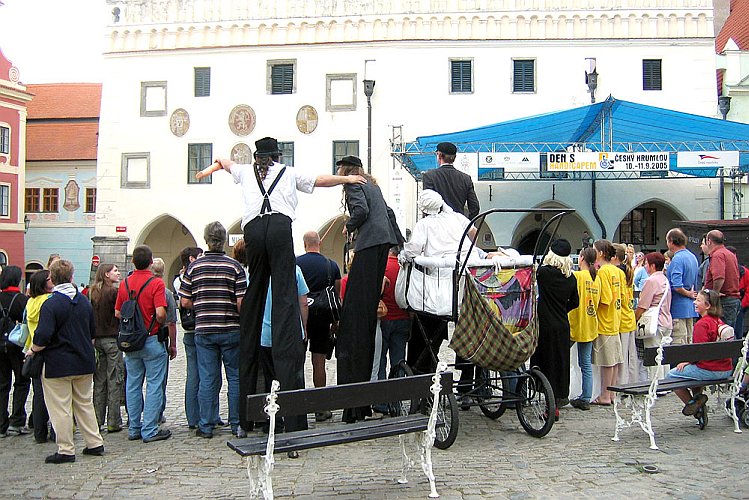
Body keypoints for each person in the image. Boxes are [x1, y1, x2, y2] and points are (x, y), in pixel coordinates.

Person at [215, 136, 367, 433]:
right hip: (280, 231)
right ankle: (293, 416)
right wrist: (347, 178)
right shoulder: (288, 172)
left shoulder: (247, 171)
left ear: (258, 157)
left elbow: (227, 162)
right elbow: (321, 180)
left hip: (254, 233)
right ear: (277, 157)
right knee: (284, 295)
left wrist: (218, 164)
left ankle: (246, 419)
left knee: (256, 290)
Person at [336, 155, 403, 422]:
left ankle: (354, 401)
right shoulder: (373, 186)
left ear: (345, 171)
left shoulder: (354, 185)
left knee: (356, 315)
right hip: (383, 243)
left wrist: (349, 226)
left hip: (369, 245)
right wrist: (398, 242)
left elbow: (361, 212)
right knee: (365, 311)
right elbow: (388, 214)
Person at [30, 259, 104, 463]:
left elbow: (43, 335)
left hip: (58, 363)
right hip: (84, 360)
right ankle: (94, 442)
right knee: (84, 403)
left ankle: (66, 449)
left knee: (61, 407)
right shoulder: (83, 301)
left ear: (52, 279)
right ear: (71, 277)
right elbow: (91, 333)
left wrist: (33, 350)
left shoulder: (51, 304)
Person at [180, 222, 246, 439]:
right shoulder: (234, 267)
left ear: (206, 239)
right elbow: (240, 303)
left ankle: (206, 424)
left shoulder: (193, 268)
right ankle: (237, 423)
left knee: (208, 378)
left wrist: (202, 303)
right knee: (235, 377)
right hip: (230, 328)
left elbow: (185, 301)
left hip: (204, 329)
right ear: (224, 239)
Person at [115, 245, 170, 443]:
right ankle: (150, 428)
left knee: (133, 384)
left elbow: (118, 312)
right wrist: (155, 322)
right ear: (150, 261)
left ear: (133, 262)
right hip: (151, 338)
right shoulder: (156, 283)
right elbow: (161, 313)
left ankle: (134, 427)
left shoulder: (125, 283)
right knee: (154, 384)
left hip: (131, 341)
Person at [258, 264, 309, 458]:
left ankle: (275, 423)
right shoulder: (294, 270)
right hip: (290, 333)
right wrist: (304, 326)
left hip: (267, 335)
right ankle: (295, 423)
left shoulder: (261, 271)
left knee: (271, 381)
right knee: (294, 380)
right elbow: (303, 302)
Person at [296, 230, 341, 422]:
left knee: (297, 363)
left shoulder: (296, 264)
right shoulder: (331, 265)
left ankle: (297, 407)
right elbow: (336, 295)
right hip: (323, 316)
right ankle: (321, 407)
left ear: (304, 244)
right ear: (319, 243)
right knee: (319, 362)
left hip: (300, 317)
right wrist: (336, 321)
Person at [530, 239, 579, 419]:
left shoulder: (544, 273)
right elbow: (575, 302)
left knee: (545, 363)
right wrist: (561, 310)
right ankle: (557, 400)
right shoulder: (571, 278)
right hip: (562, 325)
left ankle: (548, 402)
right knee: (559, 364)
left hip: (545, 325)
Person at [666, 289, 733, 418]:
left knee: (670, 376)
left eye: (698, 301)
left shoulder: (702, 324)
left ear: (707, 305)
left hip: (712, 370)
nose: (694, 303)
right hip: (726, 368)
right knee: (692, 372)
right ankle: (698, 400)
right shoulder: (718, 321)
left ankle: (694, 406)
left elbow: (698, 353)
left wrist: (687, 362)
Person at [89, 263, 124, 433]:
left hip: (97, 340)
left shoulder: (92, 292)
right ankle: (113, 420)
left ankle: (97, 419)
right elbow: (118, 314)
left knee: (100, 381)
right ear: (106, 274)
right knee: (114, 379)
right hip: (111, 338)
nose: (118, 273)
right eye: (115, 271)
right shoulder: (113, 292)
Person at [173, 246, 204, 429]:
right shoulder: (185, 278)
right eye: (199, 256)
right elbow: (185, 301)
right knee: (196, 375)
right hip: (195, 329)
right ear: (192, 259)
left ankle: (198, 416)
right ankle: (195, 417)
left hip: (193, 329)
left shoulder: (182, 278)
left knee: (199, 374)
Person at [591, 240, 624, 405]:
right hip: (616, 319)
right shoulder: (617, 271)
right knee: (614, 360)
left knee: (607, 362)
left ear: (601, 253)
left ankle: (605, 395)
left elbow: (605, 298)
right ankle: (611, 394)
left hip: (605, 320)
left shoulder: (603, 271)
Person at [0, 265, 30, 437]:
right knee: (21, 382)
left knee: (2, 384)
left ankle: (1, 423)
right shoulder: (21, 299)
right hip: (16, 345)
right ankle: (17, 420)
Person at [24, 270, 54, 443]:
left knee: (38, 394)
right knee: (53, 394)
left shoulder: (30, 302)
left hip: (33, 349)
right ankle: (56, 431)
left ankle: (39, 432)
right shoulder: (48, 301)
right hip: (48, 349)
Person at [569, 247, 599, 410]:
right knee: (585, 363)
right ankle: (586, 397)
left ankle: (561, 393)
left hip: (575, 323)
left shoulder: (577, 276)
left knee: (563, 360)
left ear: (581, 259)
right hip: (590, 323)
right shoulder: (596, 278)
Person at [635, 252, 673, 378]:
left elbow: (643, 305)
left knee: (653, 356)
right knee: (663, 356)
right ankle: (664, 383)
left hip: (654, 323)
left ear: (652, 266)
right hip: (666, 321)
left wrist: (635, 318)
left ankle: (654, 384)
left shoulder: (651, 281)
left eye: (646, 263)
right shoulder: (665, 279)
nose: (645, 266)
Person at [151, 258, 178, 425]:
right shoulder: (166, 293)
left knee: (134, 382)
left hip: (136, 339)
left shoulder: (131, 285)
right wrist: (173, 345)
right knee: (158, 381)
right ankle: (156, 414)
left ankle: (133, 419)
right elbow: (171, 323)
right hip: (157, 339)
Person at [422, 141, 480, 219]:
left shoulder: (429, 176)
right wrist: (466, 224)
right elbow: (475, 207)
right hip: (458, 225)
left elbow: (427, 203)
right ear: (455, 157)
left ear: (439, 155)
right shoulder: (466, 178)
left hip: (437, 226)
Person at [665, 228, 699, 345]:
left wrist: (687, 293)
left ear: (671, 241)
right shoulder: (692, 257)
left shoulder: (677, 259)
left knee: (678, 343)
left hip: (678, 307)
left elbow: (677, 285)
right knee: (689, 342)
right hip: (690, 308)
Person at [613, 243, 639, 385]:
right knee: (631, 354)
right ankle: (632, 381)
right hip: (629, 316)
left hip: (621, 317)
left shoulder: (618, 272)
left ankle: (622, 383)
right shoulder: (628, 270)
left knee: (621, 356)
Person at [704, 230, 741, 327]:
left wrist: (714, 294)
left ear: (709, 241)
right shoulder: (729, 254)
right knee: (728, 332)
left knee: (722, 333)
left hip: (724, 301)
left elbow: (719, 277)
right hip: (732, 299)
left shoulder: (718, 255)